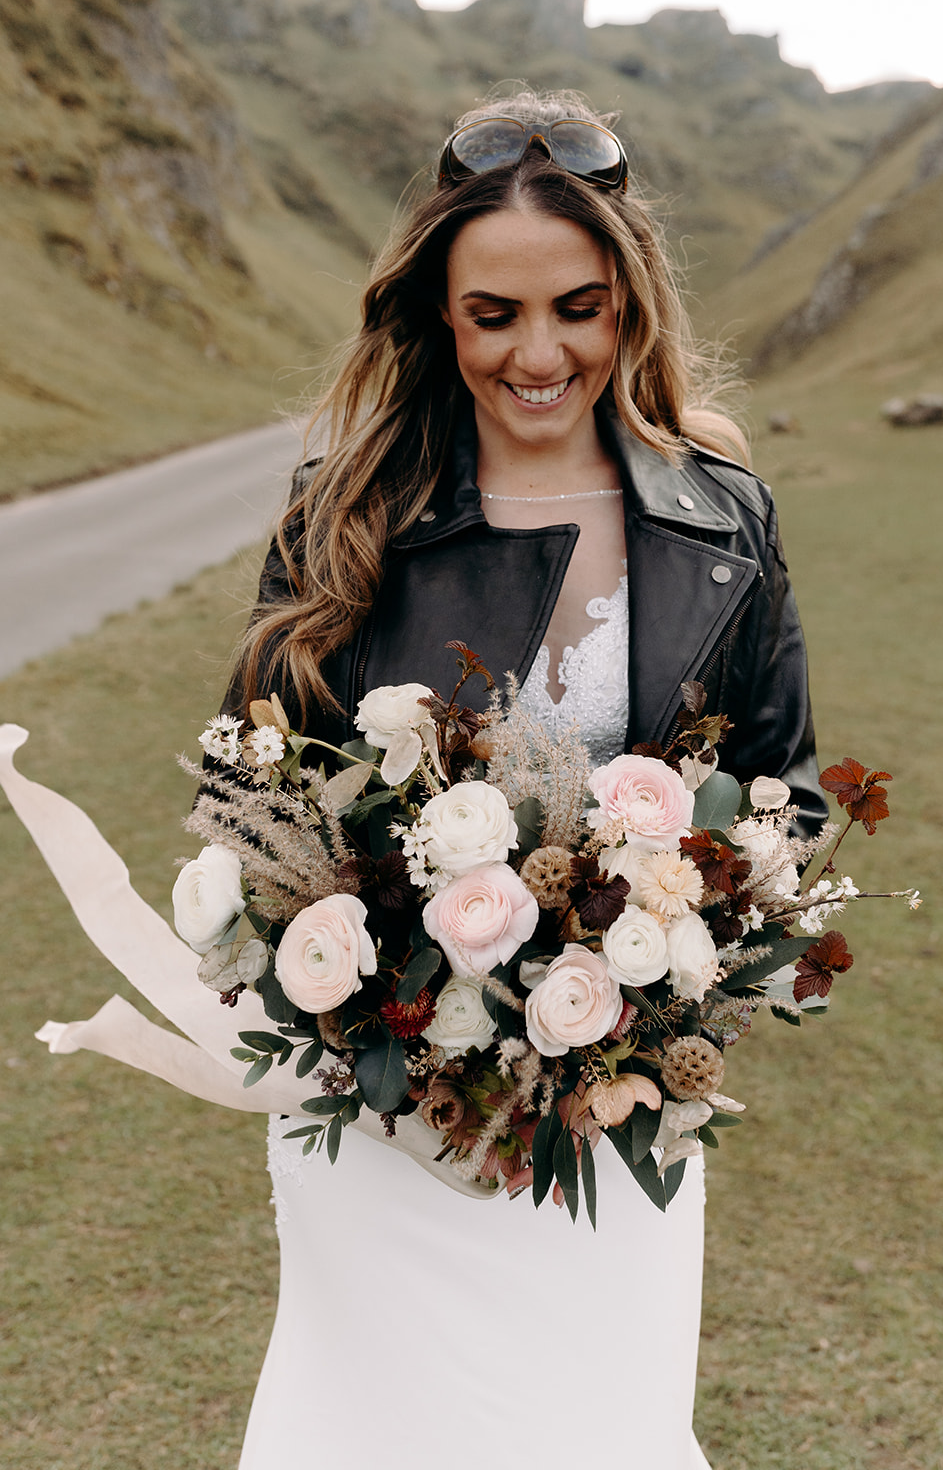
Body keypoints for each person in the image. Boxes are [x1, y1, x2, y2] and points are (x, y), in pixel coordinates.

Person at [223, 89, 825, 1470]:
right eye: (495, 314)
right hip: (387, 1122)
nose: (539, 351)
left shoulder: (721, 513)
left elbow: (775, 792)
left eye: (581, 306)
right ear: (439, 312)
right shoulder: (342, 515)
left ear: (632, 306)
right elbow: (252, 799)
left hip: (615, 1121)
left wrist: (668, 1015)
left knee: (596, 1428)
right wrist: (400, 1041)